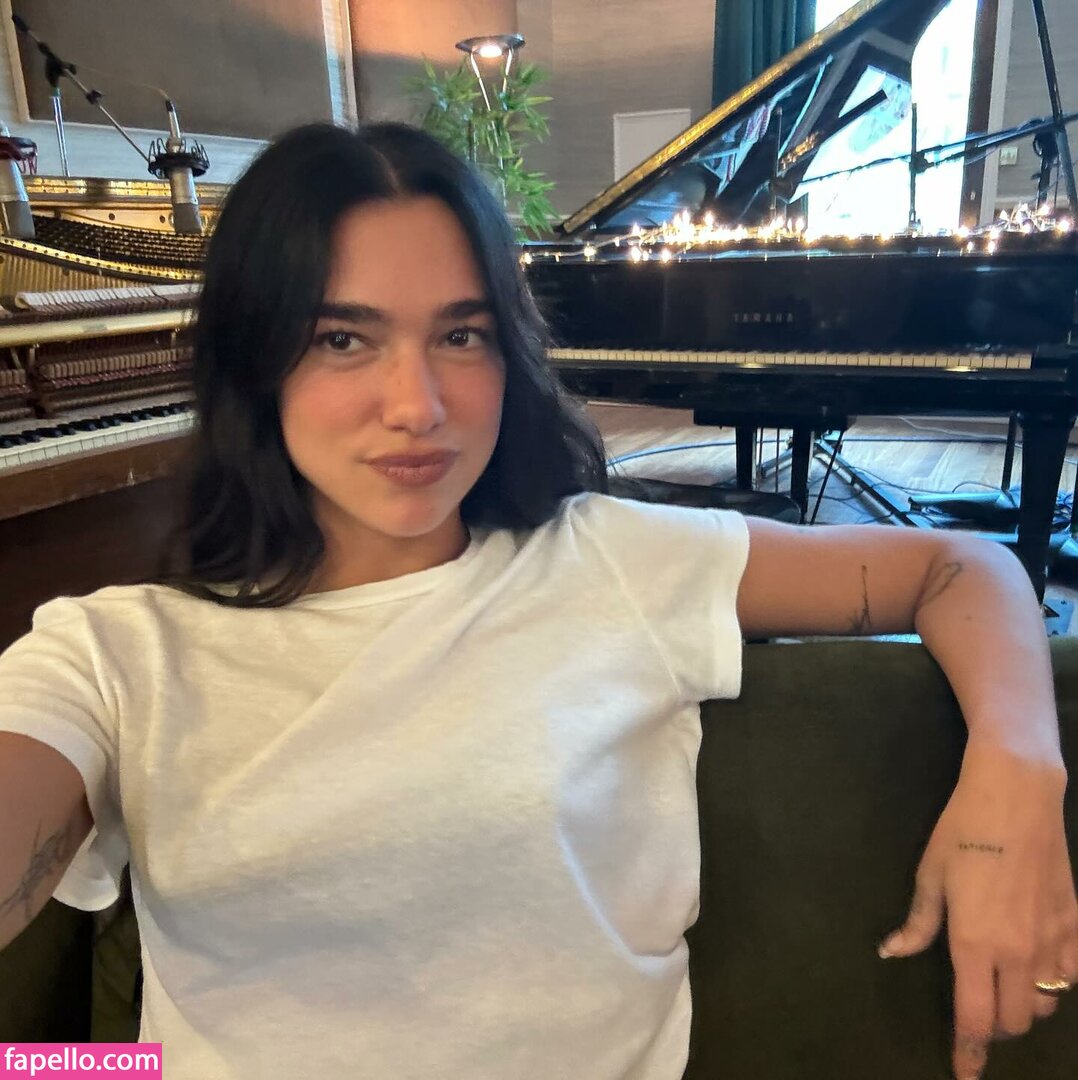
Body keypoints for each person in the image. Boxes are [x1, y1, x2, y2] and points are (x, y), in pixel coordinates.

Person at [0, 122, 1074, 1080]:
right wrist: (60, 1072)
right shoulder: (114, 656)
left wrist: (1017, 778)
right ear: (255, 360)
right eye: (342, 338)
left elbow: (956, 567)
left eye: (460, 335)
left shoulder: (610, 562)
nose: (418, 405)